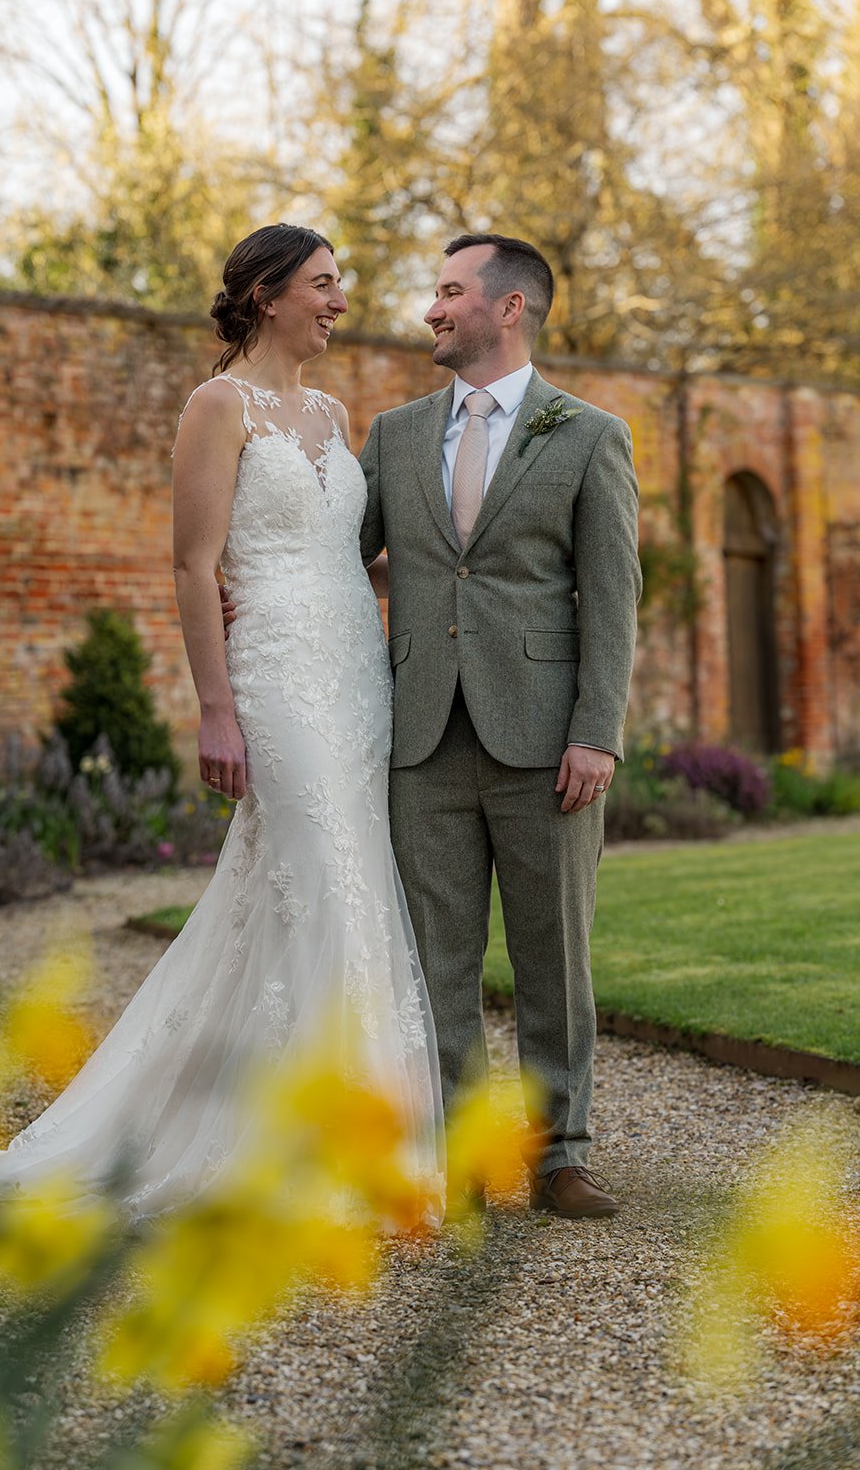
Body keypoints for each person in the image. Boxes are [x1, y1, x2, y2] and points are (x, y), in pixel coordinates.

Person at [0, 224, 444, 1223]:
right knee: (324, 872)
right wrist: (216, 710)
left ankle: (339, 1133)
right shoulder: (216, 406)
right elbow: (193, 565)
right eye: (324, 284)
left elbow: (350, 561)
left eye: (340, 284)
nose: (341, 299)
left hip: (355, 674)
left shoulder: (334, 415)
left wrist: (467, 570)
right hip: (276, 678)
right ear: (263, 295)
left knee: (341, 882)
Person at [360, 233, 640, 1219]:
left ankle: (559, 1151)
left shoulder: (587, 435)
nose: (430, 310)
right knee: (431, 958)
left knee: (551, 955)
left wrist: (595, 729)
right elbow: (342, 558)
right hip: (421, 736)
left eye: (447, 291)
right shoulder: (392, 435)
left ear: (508, 306)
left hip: (544, 741)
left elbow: (611, 597)